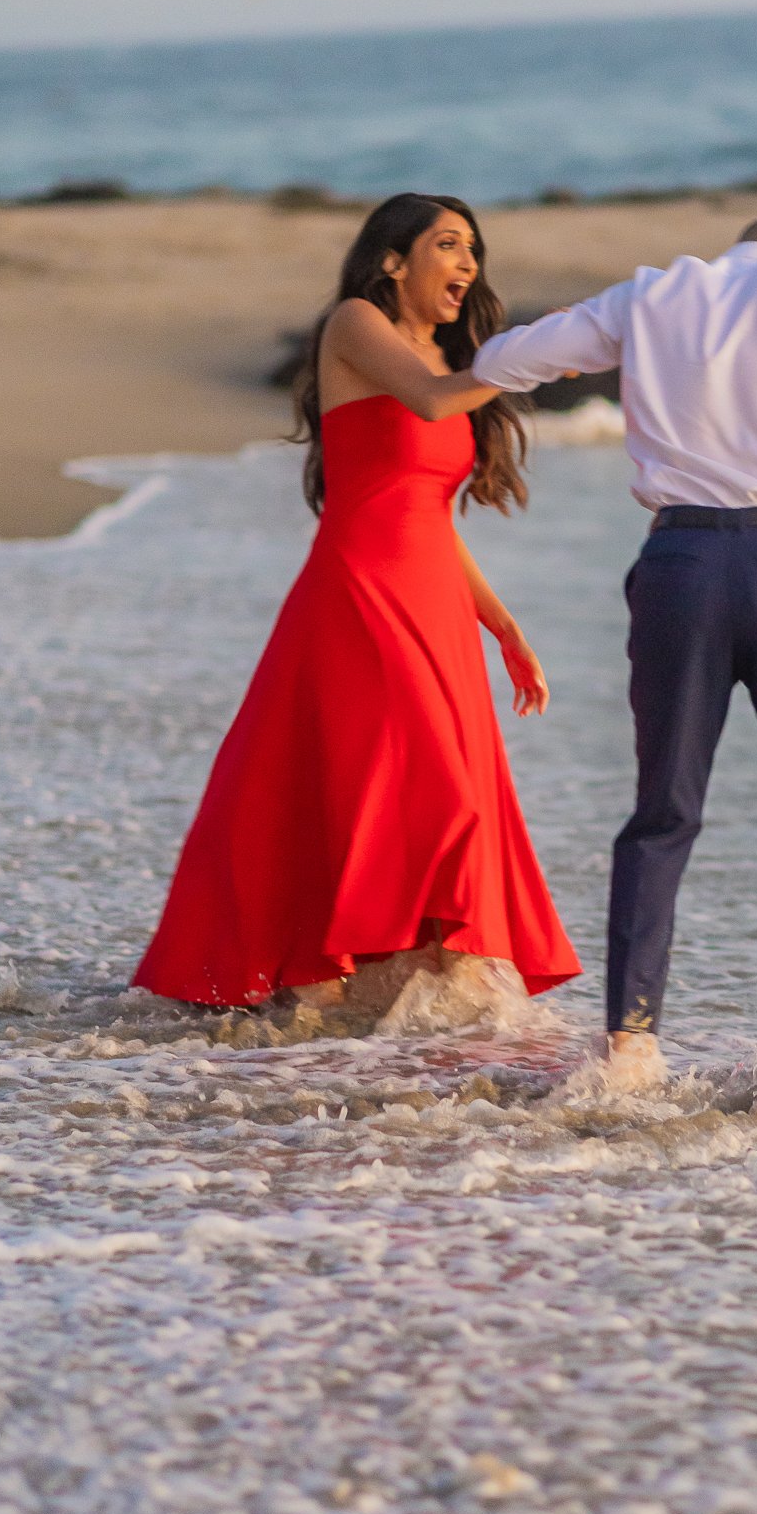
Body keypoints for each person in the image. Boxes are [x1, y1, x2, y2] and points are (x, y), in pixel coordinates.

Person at [472, 216, 757, 1106]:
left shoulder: (651, 294)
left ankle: (629, 1044)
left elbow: (507, 362)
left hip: (678, 567)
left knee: (662, 810)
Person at [133, 193, 580, 1012]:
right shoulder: (354, 326)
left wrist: (504, 625)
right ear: (391, 262)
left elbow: (431, 516)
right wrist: (537, 354)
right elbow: (436, 403)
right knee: (416, 795)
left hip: (435, 605)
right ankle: (347, 994)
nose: (468, 265)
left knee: (433, 797)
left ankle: (414, 1028)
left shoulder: (446, 355)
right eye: (448, 245)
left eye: (473, 249)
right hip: (362, 594)